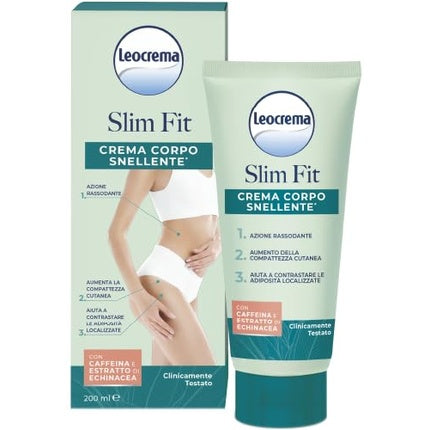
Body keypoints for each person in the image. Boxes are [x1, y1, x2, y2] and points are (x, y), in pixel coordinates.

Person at [108, 169, 221, 365]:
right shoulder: (153, 163)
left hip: (191, 284)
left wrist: (218, 244)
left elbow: (214, 218)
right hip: (161, 282)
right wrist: (139, 297)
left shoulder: (213, 161)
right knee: (204, 377)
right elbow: (116, 233)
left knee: (166, 382)